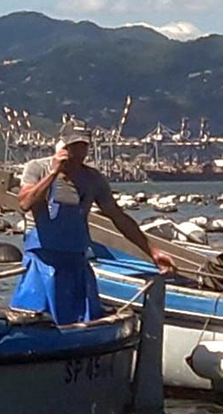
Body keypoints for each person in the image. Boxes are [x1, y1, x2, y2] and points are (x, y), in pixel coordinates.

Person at [12, 119, 175, 323]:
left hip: (76, 261)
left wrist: (152, 251)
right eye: (74, 146)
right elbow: (25, 202)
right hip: (42, 263)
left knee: (84, 320)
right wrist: (54, 173)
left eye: (83, 146)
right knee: (33, 320)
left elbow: (118, 217)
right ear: (63, 146)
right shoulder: (38, 168)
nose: (79, 152)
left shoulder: (93, 179)